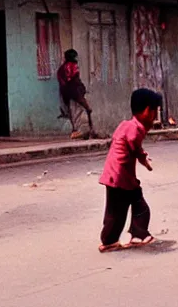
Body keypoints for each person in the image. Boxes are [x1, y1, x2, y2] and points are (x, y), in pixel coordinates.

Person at [98, 88, 163, 252]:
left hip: (112, 175)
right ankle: (138, 234)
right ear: (148, 111)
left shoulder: (125, 125)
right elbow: (134, 144)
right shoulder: (136, 128)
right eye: (155, 111)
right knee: (139, 206)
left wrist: (142, 157)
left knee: (114, 211)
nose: (155, 117)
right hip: (122, 178)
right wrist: (143, 159)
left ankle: (109, 240)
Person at [57, 49, 94, 140]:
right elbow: (74, 80)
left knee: (73, 113)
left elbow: (63, 82)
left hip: (66, 94)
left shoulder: (61, 69)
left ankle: (77, 131)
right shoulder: (72, 66)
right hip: (74, 93)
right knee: (83, 111)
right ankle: (83, 131)